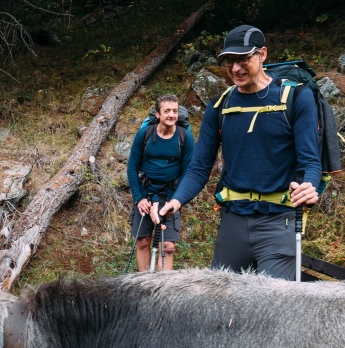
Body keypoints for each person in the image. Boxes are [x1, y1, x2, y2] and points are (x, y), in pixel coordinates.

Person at [158, 25, 321, 280]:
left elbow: (310, 160)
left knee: (271, 306)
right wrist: (175, 202)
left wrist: (309, 185)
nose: (235, 68)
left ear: (262, 55)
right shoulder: (219, 106)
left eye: (243, 59)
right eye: (229, 61)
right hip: (233, 222)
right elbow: (200, 167)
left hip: (279, 222)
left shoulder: (297, 98)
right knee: (219, 307)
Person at [127, 94, 195, 271]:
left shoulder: (185, 137)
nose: (172, 115)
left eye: (175, 111)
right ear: (157, 114)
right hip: (145, 194)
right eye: (167, 111)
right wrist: (138, 198)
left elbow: (188, 174)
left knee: (168, 247)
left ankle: (163, 292)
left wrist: (173, 202)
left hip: (170, 196)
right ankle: (144, 288)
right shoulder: (145, 134)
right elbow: (132, 167)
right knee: (143, 241)